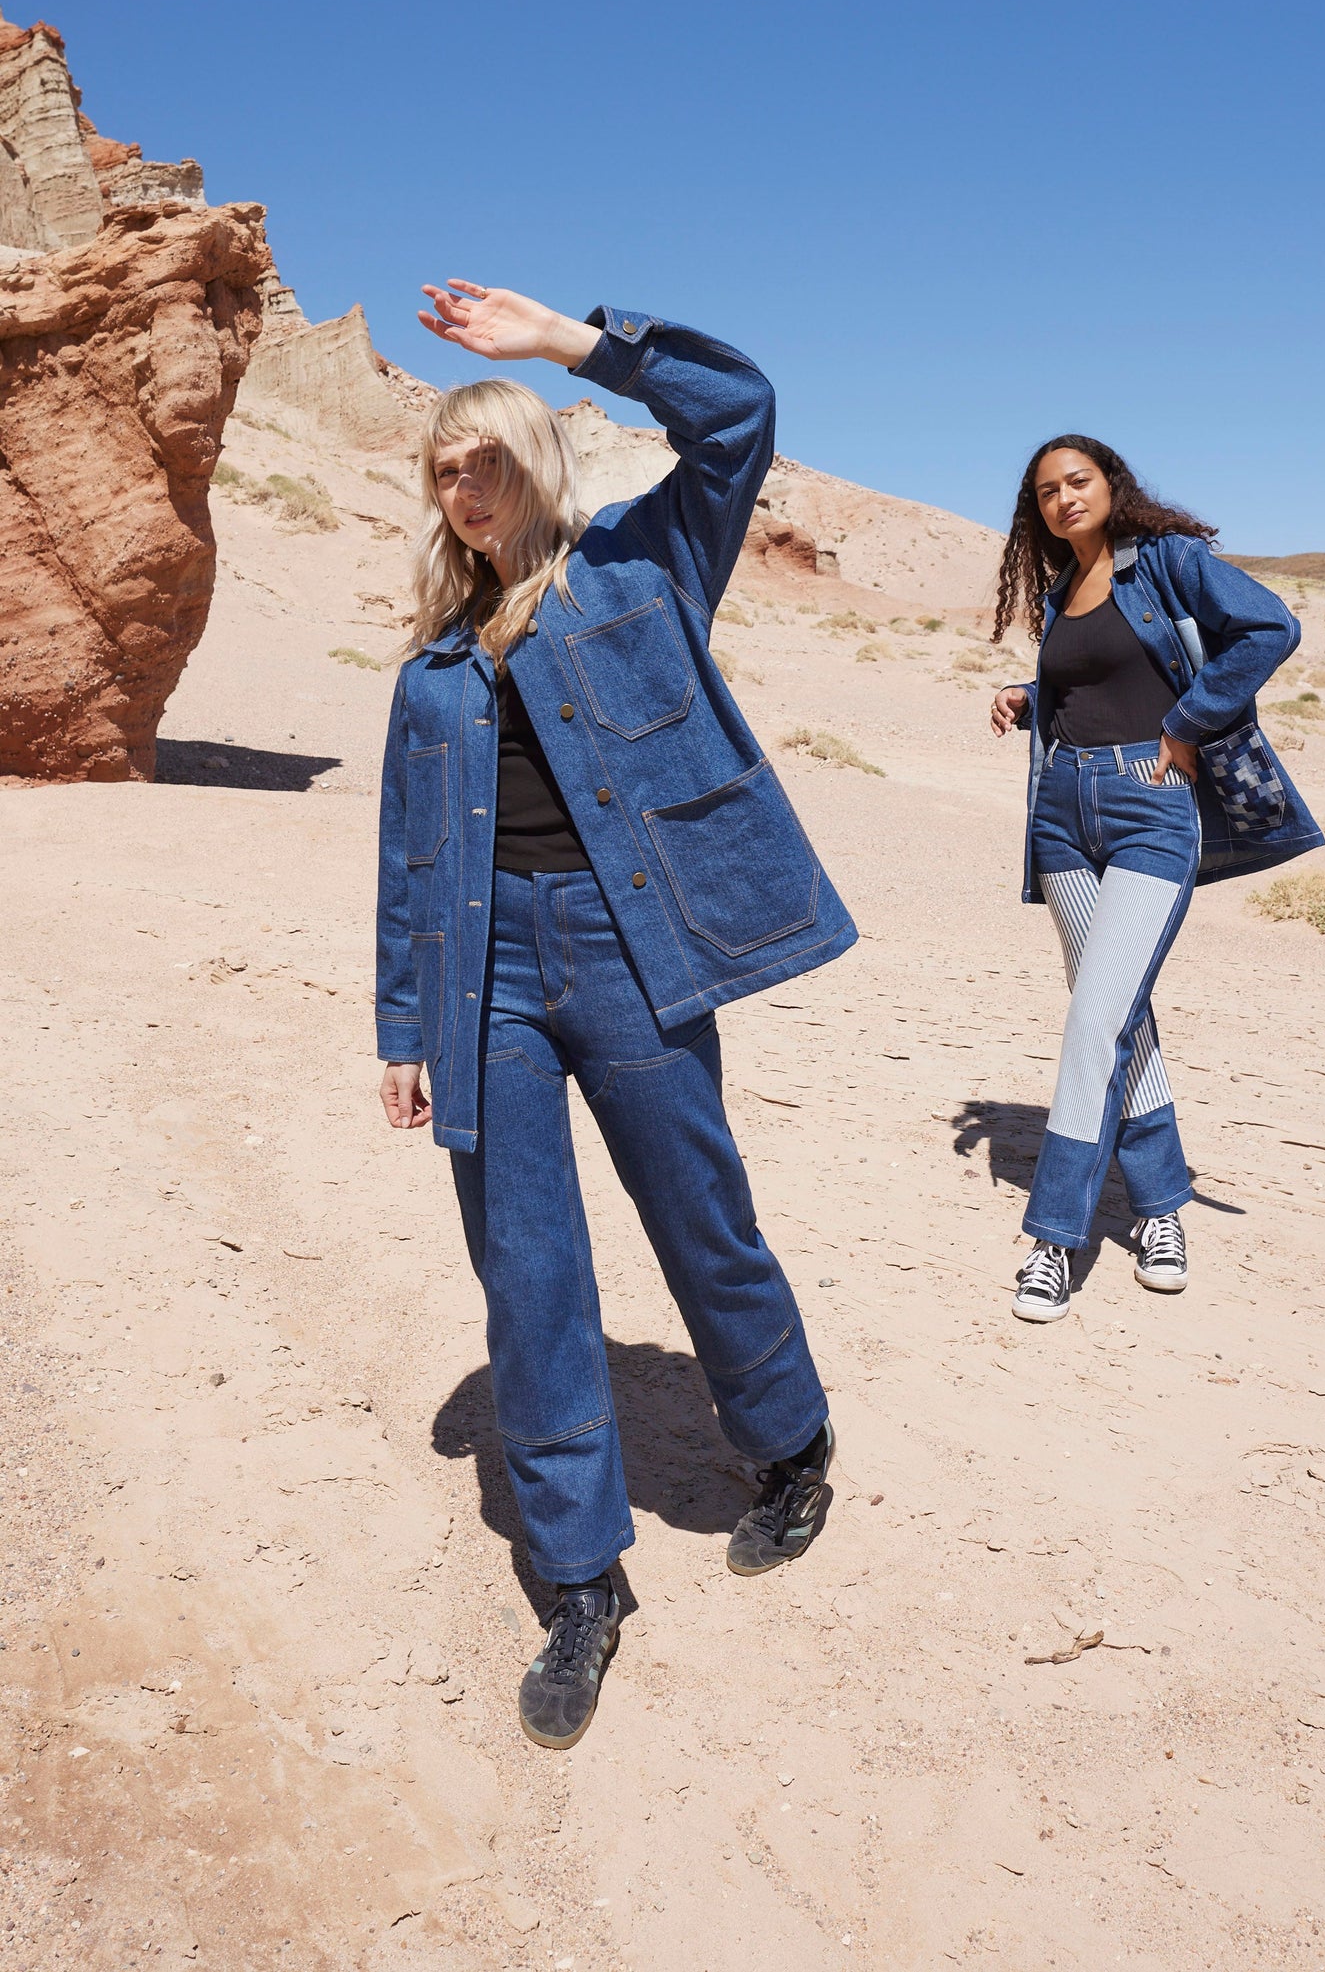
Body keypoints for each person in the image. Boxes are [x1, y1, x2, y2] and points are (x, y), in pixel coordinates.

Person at [376, 282, 851, 1749]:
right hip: (488, 976)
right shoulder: (432, 671)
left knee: (699, 1211)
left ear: (534, 457)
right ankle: (581, 1579)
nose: (466, 489)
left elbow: (739, 415)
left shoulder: (645, 564)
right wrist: (402, 1026)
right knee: (527, 1265)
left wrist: (574, 345)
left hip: (632, 948)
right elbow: (409, 860)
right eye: (444, 470)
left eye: (487, 460)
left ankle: (789, 1442)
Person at [988, 436, 1323, 1323]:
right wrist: (1029, 695)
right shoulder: (1062, 588)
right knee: (1119, 1013)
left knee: (1095, 1016)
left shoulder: (1168, 560)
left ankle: (1053, 1238)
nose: (1064, 498)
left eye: (1078, 481)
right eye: (1047, 491)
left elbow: (1270, 627)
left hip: (1152, 803)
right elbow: (1098, 680)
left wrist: (1188, 723)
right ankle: (1163, 1207)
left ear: (1111, 484)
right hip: (1063, 813)